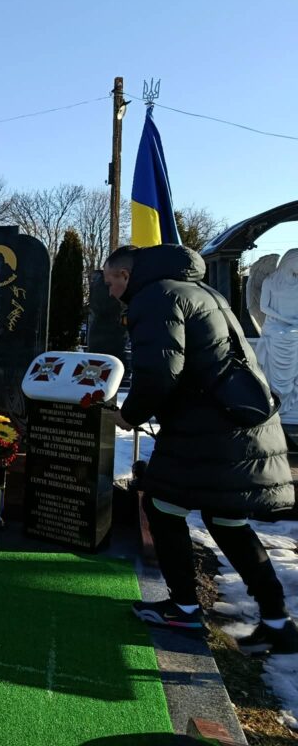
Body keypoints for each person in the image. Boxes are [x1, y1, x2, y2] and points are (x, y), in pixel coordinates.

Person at [103, 244, 297, 654]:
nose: (110, 292)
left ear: (125, 275)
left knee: (161, 506)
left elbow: (160, 371)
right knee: (226, 519)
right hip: (242, 422)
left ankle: (184, 608)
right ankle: (277, 621)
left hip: (208, 428)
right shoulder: (200, 291)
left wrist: (129, 415)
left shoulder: (156, 297)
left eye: (109, 282)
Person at [254, 249, 298, 421]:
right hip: (274, 325)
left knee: (293, 336)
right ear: (290, 261)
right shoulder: (270, 281)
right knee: (282, 336)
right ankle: (276, 396)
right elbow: (263, 307)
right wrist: (286, 320)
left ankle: (288, 396)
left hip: (294, 325)